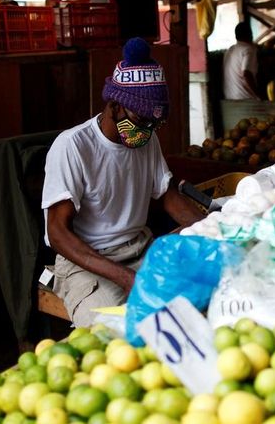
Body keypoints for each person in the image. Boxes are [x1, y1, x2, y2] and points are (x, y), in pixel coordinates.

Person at [42, 38, 205, 327]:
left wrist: (212, 225)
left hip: (141, 249)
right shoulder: (73, 147)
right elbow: (57, 233)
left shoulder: (146, 139)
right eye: (142, 121)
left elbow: (167, 195)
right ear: (116, 107)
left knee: (198, 296)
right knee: (119, 330)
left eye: (156, 124)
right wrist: (124, 276)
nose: (149, 131)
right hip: (89, 262)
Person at [223, 21, 260, 100]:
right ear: (250, 34)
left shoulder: (230, 50)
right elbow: (246, 73)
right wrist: (258, 95)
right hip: (246, 99)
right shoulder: (249, 49)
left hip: (229, 99)